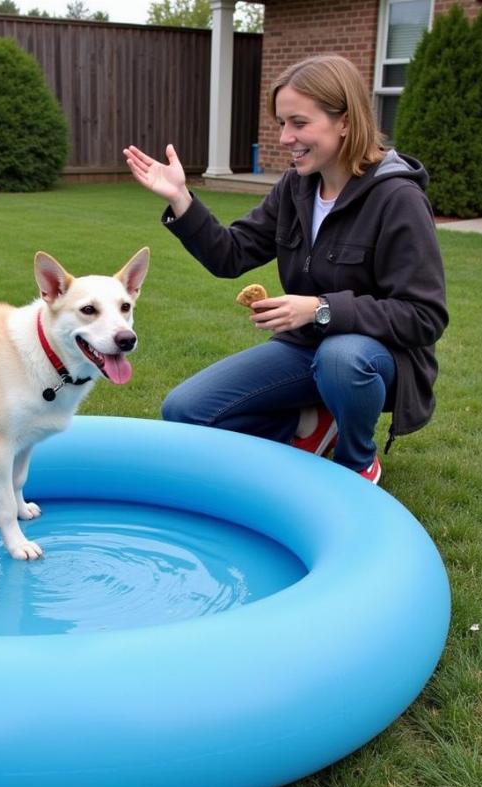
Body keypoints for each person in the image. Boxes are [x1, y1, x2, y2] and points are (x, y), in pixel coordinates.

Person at [123, 54, 447, 484]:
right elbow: (231, 254)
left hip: (375, 356)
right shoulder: (296, 187)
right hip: (304, 347)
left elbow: (424, 316)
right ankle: (308, 425)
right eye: (281, 123)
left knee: (341, 359)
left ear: (345, 122)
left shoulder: (397, 199)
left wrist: (320, 309)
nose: (284, 137)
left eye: (299, 123)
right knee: (185, 411)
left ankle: (356, 462)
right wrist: (181, 199)